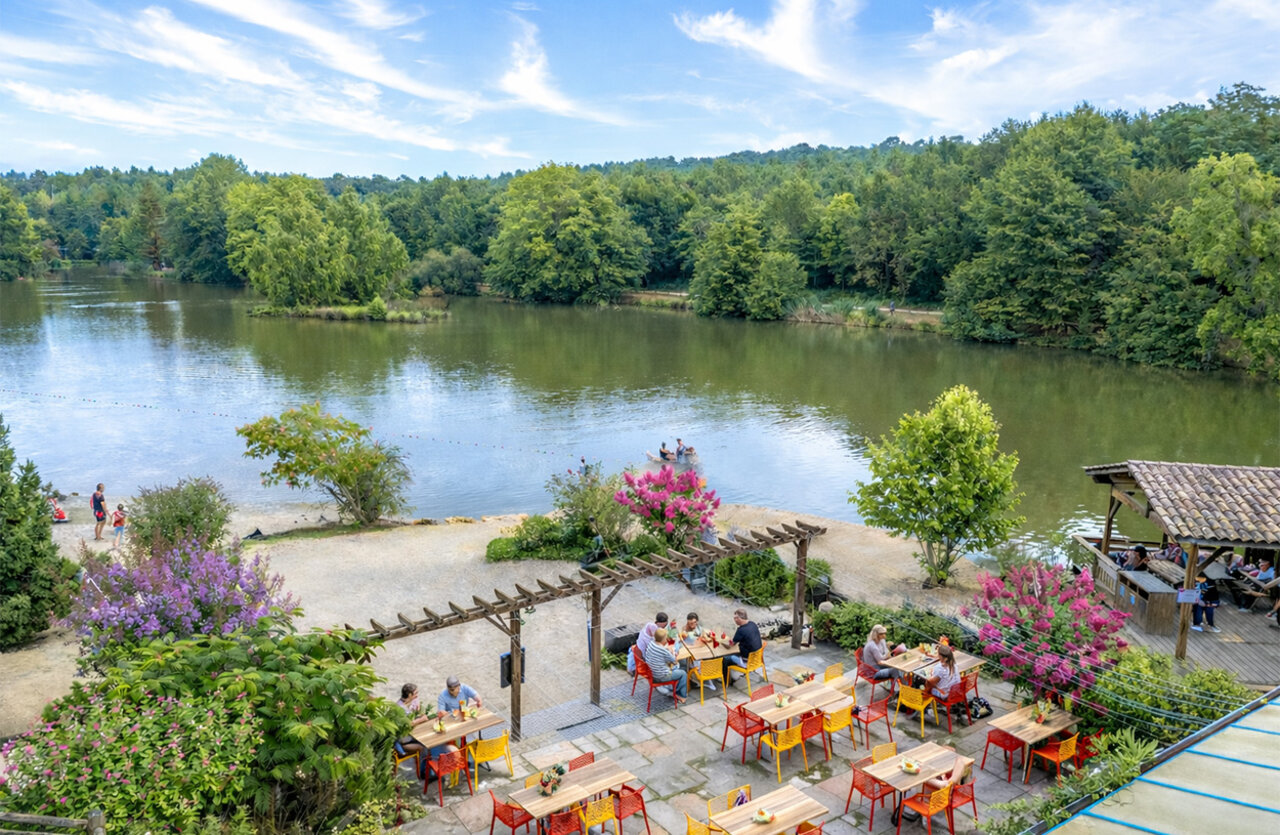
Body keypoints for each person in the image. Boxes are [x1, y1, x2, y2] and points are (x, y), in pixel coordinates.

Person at [642, 627, 686, 703]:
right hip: (661, 676)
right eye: (666, 638)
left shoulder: (651, 643)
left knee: (672, 667)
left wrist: (667, 650)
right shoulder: (663, 651)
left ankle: (669, 689)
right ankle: (681, 695)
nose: (667, 639)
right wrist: (671, 651)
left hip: (651, 674)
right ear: (663, 640)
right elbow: (674, 661)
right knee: (683, 673)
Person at [394, 683, 430, 772]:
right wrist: (422, 719)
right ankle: (423, 771)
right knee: (425, 745)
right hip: (403, 739)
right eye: (415, 693)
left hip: (410, 734)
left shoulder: (410, 701)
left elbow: (417, 709)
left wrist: (418, 710)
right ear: (409, 695)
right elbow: (409, 724)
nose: (417, 695)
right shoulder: (400, 708)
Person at [726, 608, 763, 685]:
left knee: (726, 659)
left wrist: (725, 642)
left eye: (735, 618)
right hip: (757, 659)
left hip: (747, 661)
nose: (735, 620)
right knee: (736, 653)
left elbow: (732, 644)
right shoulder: (753, 624)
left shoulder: (741, 630)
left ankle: (728, 681)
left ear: (739, 618)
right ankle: (737, 674)